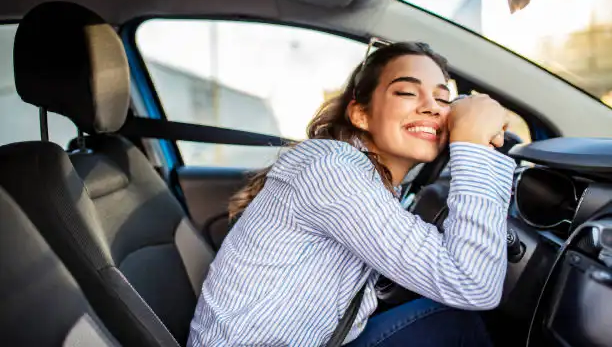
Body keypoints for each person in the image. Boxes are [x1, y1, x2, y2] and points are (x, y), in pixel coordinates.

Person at [188, 42, 516, 346]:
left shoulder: (371, 178)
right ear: (360, 114)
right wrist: (472, 145)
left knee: (448, 320)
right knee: (456, 324)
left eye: (443, 100)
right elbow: (473, 284)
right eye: (407, 92)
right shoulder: (333, 169)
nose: (432, 107)